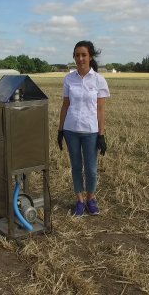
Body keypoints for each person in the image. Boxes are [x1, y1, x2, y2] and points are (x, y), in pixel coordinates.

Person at [57, 40, 110, 217]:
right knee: (76, 166)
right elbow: (65, 105)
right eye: (77, 55)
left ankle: (91, 199)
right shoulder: (69, 78)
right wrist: (60, 130)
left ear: (90, 57)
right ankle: (79, 200)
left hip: (91, 131)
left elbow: (100, 110)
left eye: (84, 55)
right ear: (74, 57)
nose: (80, 58)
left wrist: (101, 134)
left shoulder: (99, 80)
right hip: (71, 129)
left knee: (91, 169)